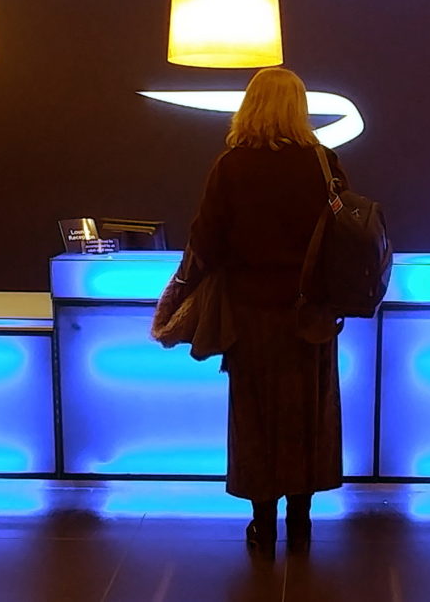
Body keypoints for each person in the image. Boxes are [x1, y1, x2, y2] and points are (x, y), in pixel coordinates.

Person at [156, 67, 349, 560]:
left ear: (250, 107)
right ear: (299, 108)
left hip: (250, 315)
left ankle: (262, 525)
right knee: (308, 415)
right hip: (311, 318)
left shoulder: (232, 166)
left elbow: (206, 242)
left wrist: (181, 293)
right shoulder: (324, 164)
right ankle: (301, 522)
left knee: (256, 418)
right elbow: (343, 238)